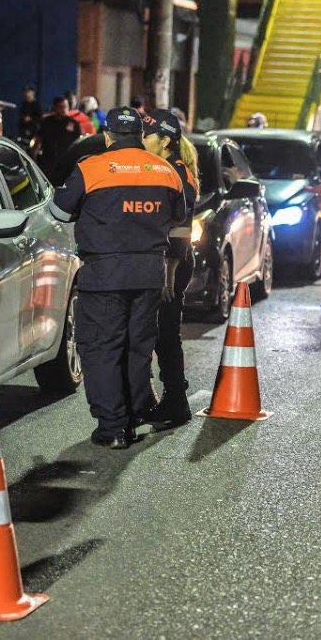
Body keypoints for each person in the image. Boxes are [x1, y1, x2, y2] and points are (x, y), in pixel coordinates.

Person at [49, 107, 186, 449]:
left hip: (104, 273)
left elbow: (58, 211)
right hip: (149, 273)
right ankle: (135, 413)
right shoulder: (166, 170)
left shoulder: (91, 168)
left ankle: (112, 428)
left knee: (101, 347)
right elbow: (178, 216)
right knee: (137, 347)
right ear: (140, 135)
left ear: (108, 136)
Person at [142, 109, 199, 428]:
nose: (143, 140)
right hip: (162, 260)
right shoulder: (164, 167)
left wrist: (171, 268)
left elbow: (182, 225)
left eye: (148, 136)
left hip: (171, 263)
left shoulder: (178, 172)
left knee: (166, 335)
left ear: (165, 140)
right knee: (157, 333)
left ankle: (176, 401)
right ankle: (161, 397)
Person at [36, 95, 81, 183]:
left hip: (67, 165)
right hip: (48, 163)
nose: (63, 110)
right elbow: (38, 141)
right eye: (61, 107)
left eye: (65, 107)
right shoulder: (46, 122)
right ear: (55, 108)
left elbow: (79, 144)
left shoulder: (73, 124)